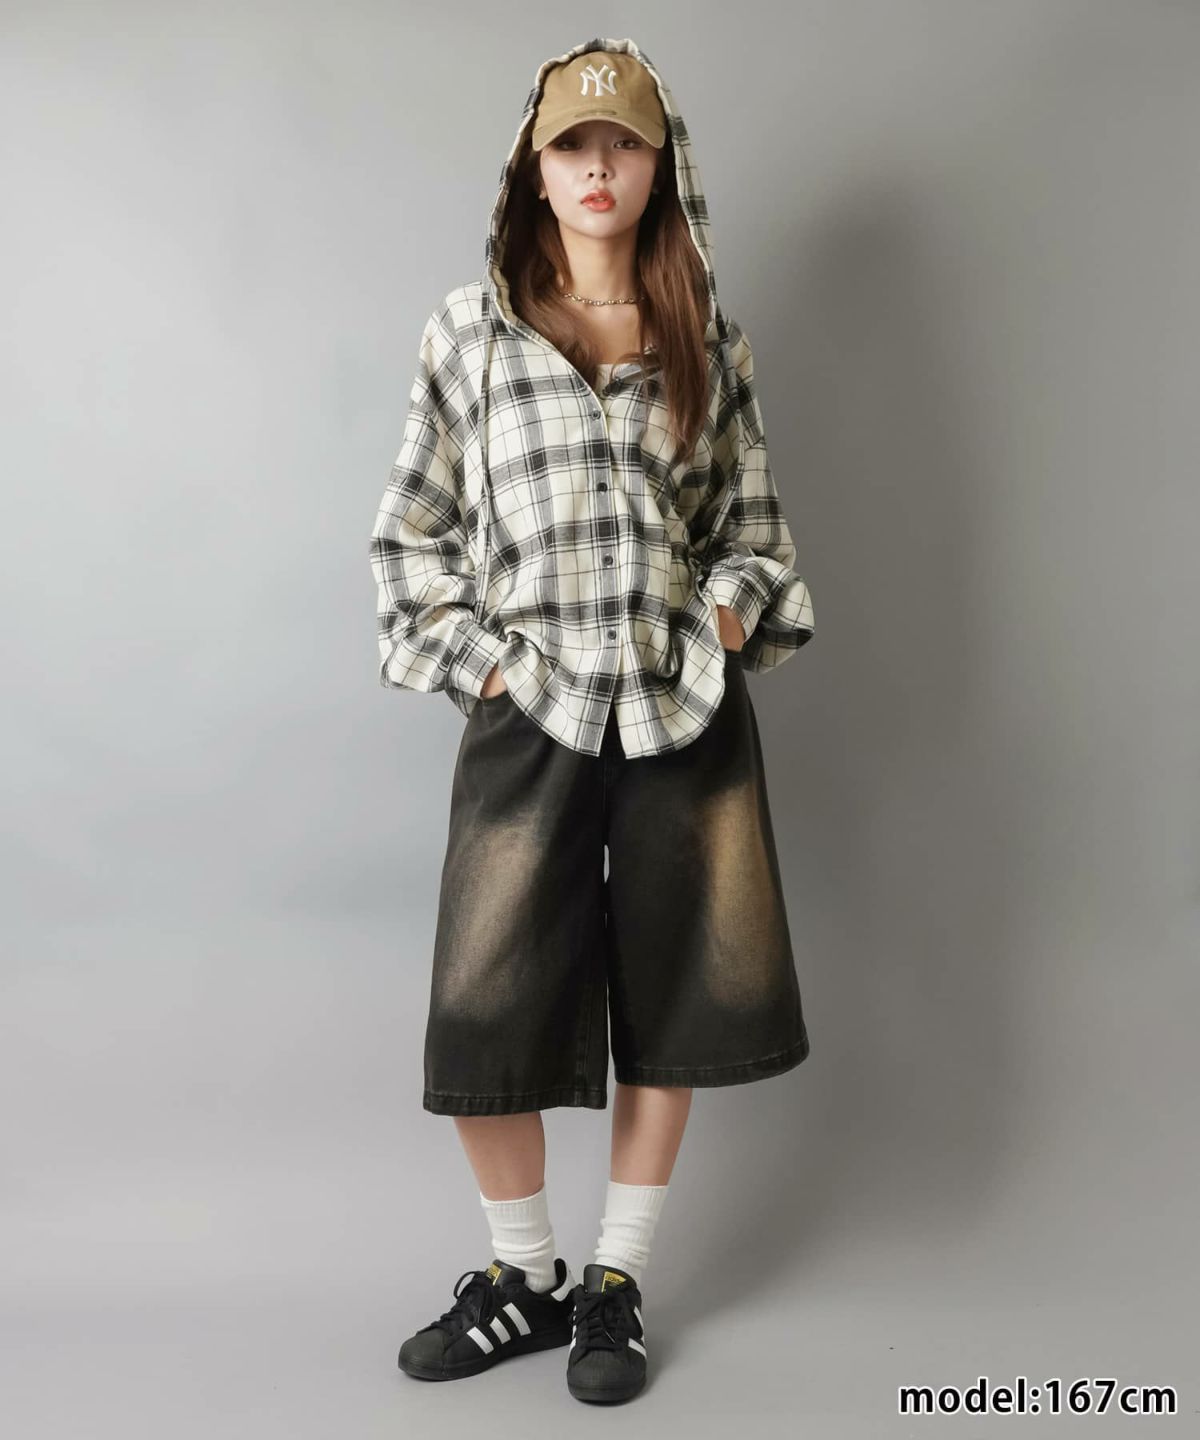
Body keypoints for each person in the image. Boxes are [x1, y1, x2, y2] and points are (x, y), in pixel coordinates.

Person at [368, 36, 816, 1405]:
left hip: (682, 709)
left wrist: (725, 616)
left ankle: (614, 1281)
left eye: (624, 143)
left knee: (678, 994)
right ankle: (524, 1277)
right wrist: (487, 669)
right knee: (485, 1001)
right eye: (573, 143)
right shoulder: (471, 333)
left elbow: (752, 533)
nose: (599, 166)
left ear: (660, 165)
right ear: (535, 167)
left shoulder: (705, 338)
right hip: (535, 709)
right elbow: (411, 539)